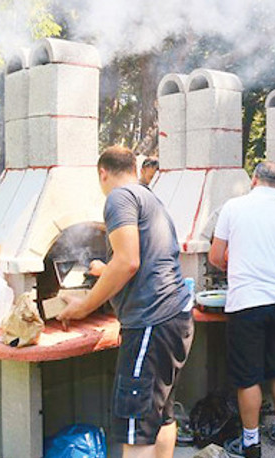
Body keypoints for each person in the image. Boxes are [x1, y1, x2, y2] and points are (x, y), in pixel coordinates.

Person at [57, 146, 193, 458]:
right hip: (176, 317)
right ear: (134, 168)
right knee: (161, 415)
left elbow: (129, 261)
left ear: (102, 173)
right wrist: (106, 270)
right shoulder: (149, 197)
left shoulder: (118, 198)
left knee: (136, 427)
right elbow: (144, 257)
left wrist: (84, 306)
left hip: (151, 322)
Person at [208, 161, 275, 458]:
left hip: (247, 302)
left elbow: (215, 257)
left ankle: (251, 442)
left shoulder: (233, 207)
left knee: (248, 376)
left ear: (254, 180)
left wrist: (235, 263)